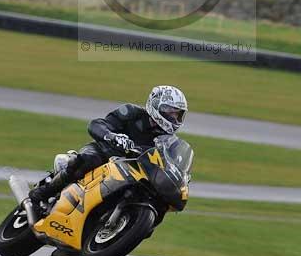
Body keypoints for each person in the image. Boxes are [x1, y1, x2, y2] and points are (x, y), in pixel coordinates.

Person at [28, 85, 188, 214]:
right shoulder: (132, 112)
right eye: (170, 112)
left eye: (178, 114)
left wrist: (182, 176)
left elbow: (171, 162)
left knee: (157, 201)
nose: (174, 118)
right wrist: (112, 137)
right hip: (105, 154)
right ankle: (43, 193)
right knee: (87, 160)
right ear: (156, 105)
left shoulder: (168, 141)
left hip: (133, 172)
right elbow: (97, 124)